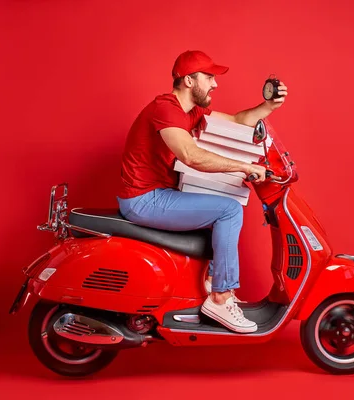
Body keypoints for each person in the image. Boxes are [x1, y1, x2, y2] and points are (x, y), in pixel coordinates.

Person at [116, 50, 288, 333]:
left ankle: (209, 283)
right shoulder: (165, 109)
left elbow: (238, 120)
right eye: (209, 77)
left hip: (156, 194)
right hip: (143, 199)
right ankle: (220, 297)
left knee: (221, 202)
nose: (215, 84)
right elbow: (190, 155)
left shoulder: (191, 111)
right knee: (229, 210)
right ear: (188, 81)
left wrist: (269, 106)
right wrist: (244, 167)